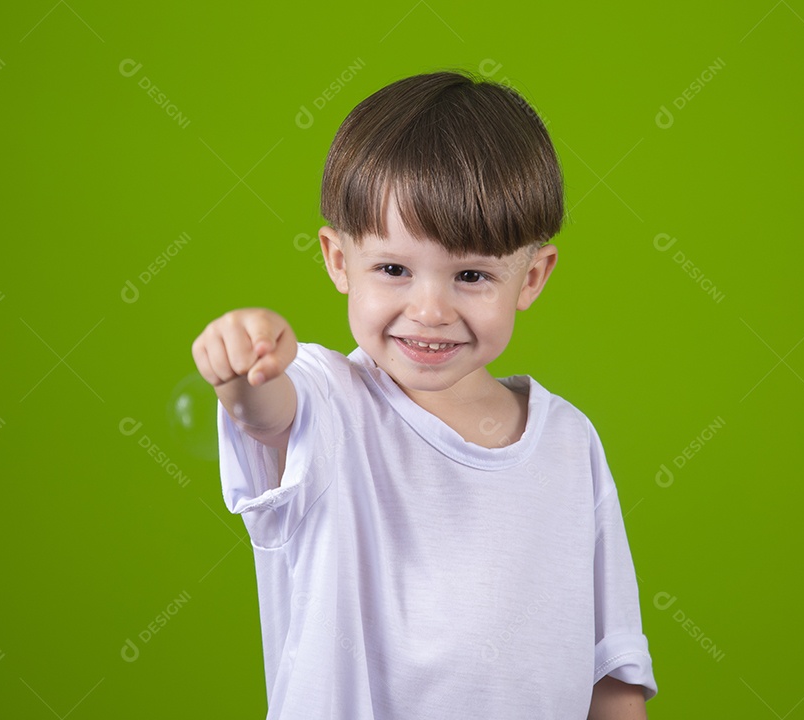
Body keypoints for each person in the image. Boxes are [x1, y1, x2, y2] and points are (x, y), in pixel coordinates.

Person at [191, 68, 657, 719]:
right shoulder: (328, 400)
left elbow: (612, 668)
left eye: (470, 274)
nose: (430, 309)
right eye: (393, 270)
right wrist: (244, 369)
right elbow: (268, 417)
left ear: (532, 277)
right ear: (336, 260)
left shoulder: (568, 443)